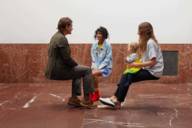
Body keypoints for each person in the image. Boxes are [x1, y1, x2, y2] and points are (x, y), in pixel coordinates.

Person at [100, 22, 164, 109]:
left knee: (128, 75)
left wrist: (137, 65)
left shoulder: (150, 43)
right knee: (127, 76)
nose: (137, 33)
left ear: (143, 32)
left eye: (139, 31)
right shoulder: (148, 42)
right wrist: (136, 63)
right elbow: (146, 58)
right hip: (150, 69)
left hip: (153, 72)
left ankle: (116, 100)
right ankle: (115, 99)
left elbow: (153, 61)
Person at [45, 17, 95, 108]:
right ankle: (87, 100)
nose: (72, 28)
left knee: (78, 71)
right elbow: (67, 59)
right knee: (87, 70)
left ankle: (74, 98)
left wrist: (75, 65)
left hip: (54, 69)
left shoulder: (56, 36)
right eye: (71, 26)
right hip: (57, 70)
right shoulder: (61, 39)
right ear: (66, 26)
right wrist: (76, 64)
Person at [90, 26, 112, 102]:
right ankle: (91, 92)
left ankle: (96, 94)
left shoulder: (108, 45)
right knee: (88, 74)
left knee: (94, 74)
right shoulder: (94, 45)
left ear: (104, 35)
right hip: (95, 66)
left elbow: (107, 59)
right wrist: (94, 67)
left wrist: (99, 67)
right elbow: (93, 57)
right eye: (97, 33)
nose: (98, 35)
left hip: (106, 67)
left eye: (100, 34)